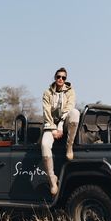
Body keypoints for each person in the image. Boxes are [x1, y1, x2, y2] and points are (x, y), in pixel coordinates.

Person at [41, 67, 80, 195]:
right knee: (45, 145)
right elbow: (46, 111)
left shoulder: (70, 91)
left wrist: (61, 125)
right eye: (58, 77)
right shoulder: (47, 93)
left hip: (64, 122)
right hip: (50, 124)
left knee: (75, 113)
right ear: (55, 77)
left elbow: (69, 107)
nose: (61, 79)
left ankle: (69, 147)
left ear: (66, 79)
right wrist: (53, 128)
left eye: (63, 77)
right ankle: (52, 180)